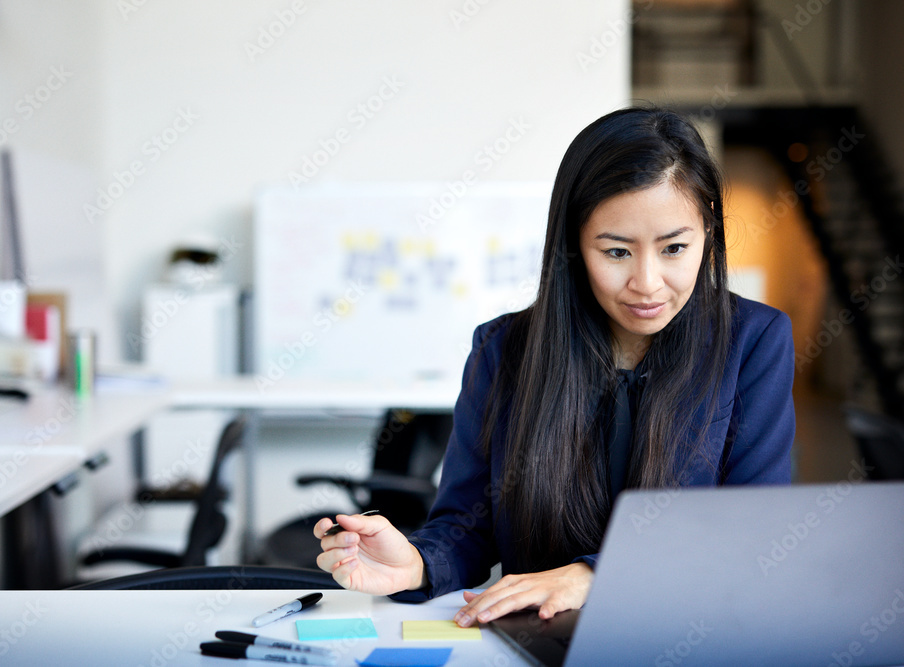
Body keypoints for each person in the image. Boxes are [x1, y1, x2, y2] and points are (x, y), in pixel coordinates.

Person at [313, 106, 795, 627]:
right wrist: (418, 563)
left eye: (675, 248)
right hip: (540, 635)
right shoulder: (502, 350)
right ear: (573, 245)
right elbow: (467, 525)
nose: (648, 282)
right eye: (616, 253)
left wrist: (593, 575)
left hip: (692, 632)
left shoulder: (754, 342)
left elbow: (752, 536)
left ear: (708, 231)